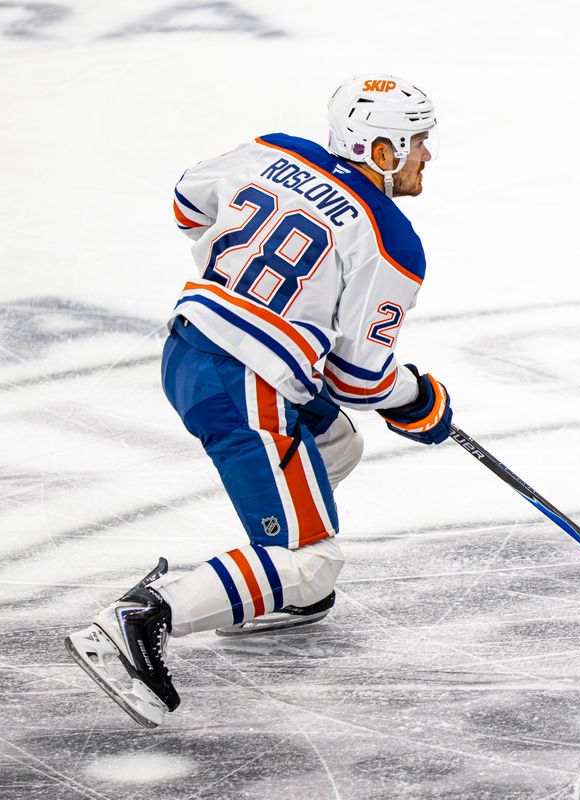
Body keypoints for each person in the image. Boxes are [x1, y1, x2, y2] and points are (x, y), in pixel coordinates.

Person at [64, 74, 453, 728]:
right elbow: (360, 380)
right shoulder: (391, 239)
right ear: (381, 151)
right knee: (312, 563)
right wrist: (418, 398)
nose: (427, 155)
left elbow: (189, 204)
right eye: (416, 141)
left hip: (190, 351)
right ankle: (146, 617)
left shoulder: (273, 150)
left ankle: (267, 586)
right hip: (252, 384)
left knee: (336, 444)